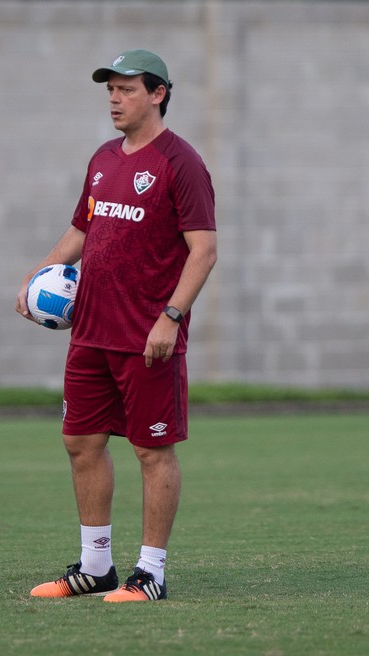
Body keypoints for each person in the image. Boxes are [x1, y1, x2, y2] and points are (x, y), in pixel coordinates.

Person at [16, 50, 217, 601]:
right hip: (90, 334)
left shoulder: (182, 163)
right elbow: (81, 231)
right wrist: (38, 277)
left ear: (158, 94)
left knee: (153, 452)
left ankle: (150, 572)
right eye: (110, 89)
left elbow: (204, 251)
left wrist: (170, 318)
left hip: (147, 338)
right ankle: (94, 566)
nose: (113, 98)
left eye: (126, 89)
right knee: (81, 443)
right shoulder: (104, 157)